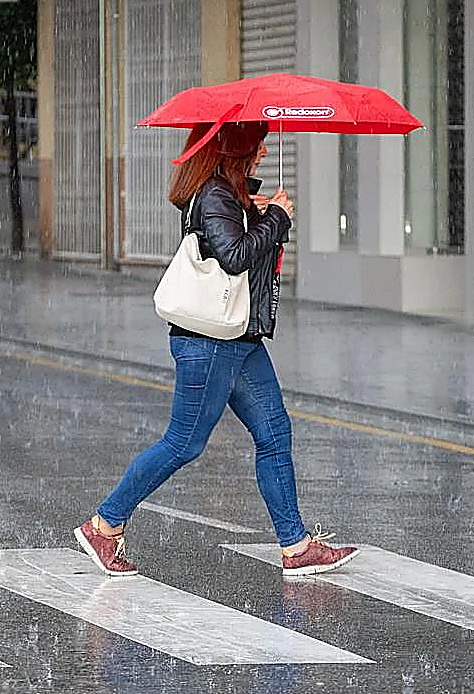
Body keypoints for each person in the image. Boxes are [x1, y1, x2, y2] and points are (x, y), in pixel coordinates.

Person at [74, 120, 359, 578]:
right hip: (209, 342)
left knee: (274, 434)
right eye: (258, 143)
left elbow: (237, 243)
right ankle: (105, 525)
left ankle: (296, 546)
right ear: (237, 148)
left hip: (239, 339)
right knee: (183, 444)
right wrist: (276, 217)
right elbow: (234, 256)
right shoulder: (214, 195)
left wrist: (259, 211)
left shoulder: (228, 195)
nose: (264, 152)